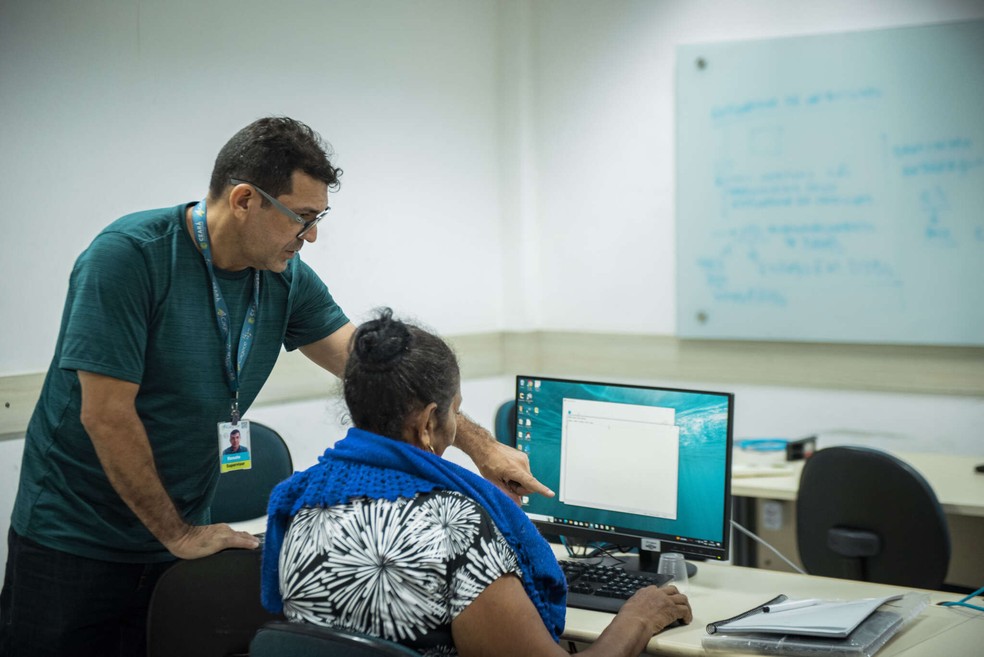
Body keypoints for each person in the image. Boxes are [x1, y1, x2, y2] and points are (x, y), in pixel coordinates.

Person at [0, 117, 549, 657]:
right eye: (302, 218)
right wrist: (179, 534)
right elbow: (106, 415)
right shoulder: (129, 257)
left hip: (178, 536)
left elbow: (381, 372)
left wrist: (481, 447)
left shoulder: (283, 278)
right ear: (245, 200)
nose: (312, 235)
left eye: (318, 217)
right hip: (74, 537)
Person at [261, 309, 692, 657]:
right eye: (455, 411)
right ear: (428, 423)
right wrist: (637, 618)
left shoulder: (301, 502)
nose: (456, 424)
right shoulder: (457, 527)